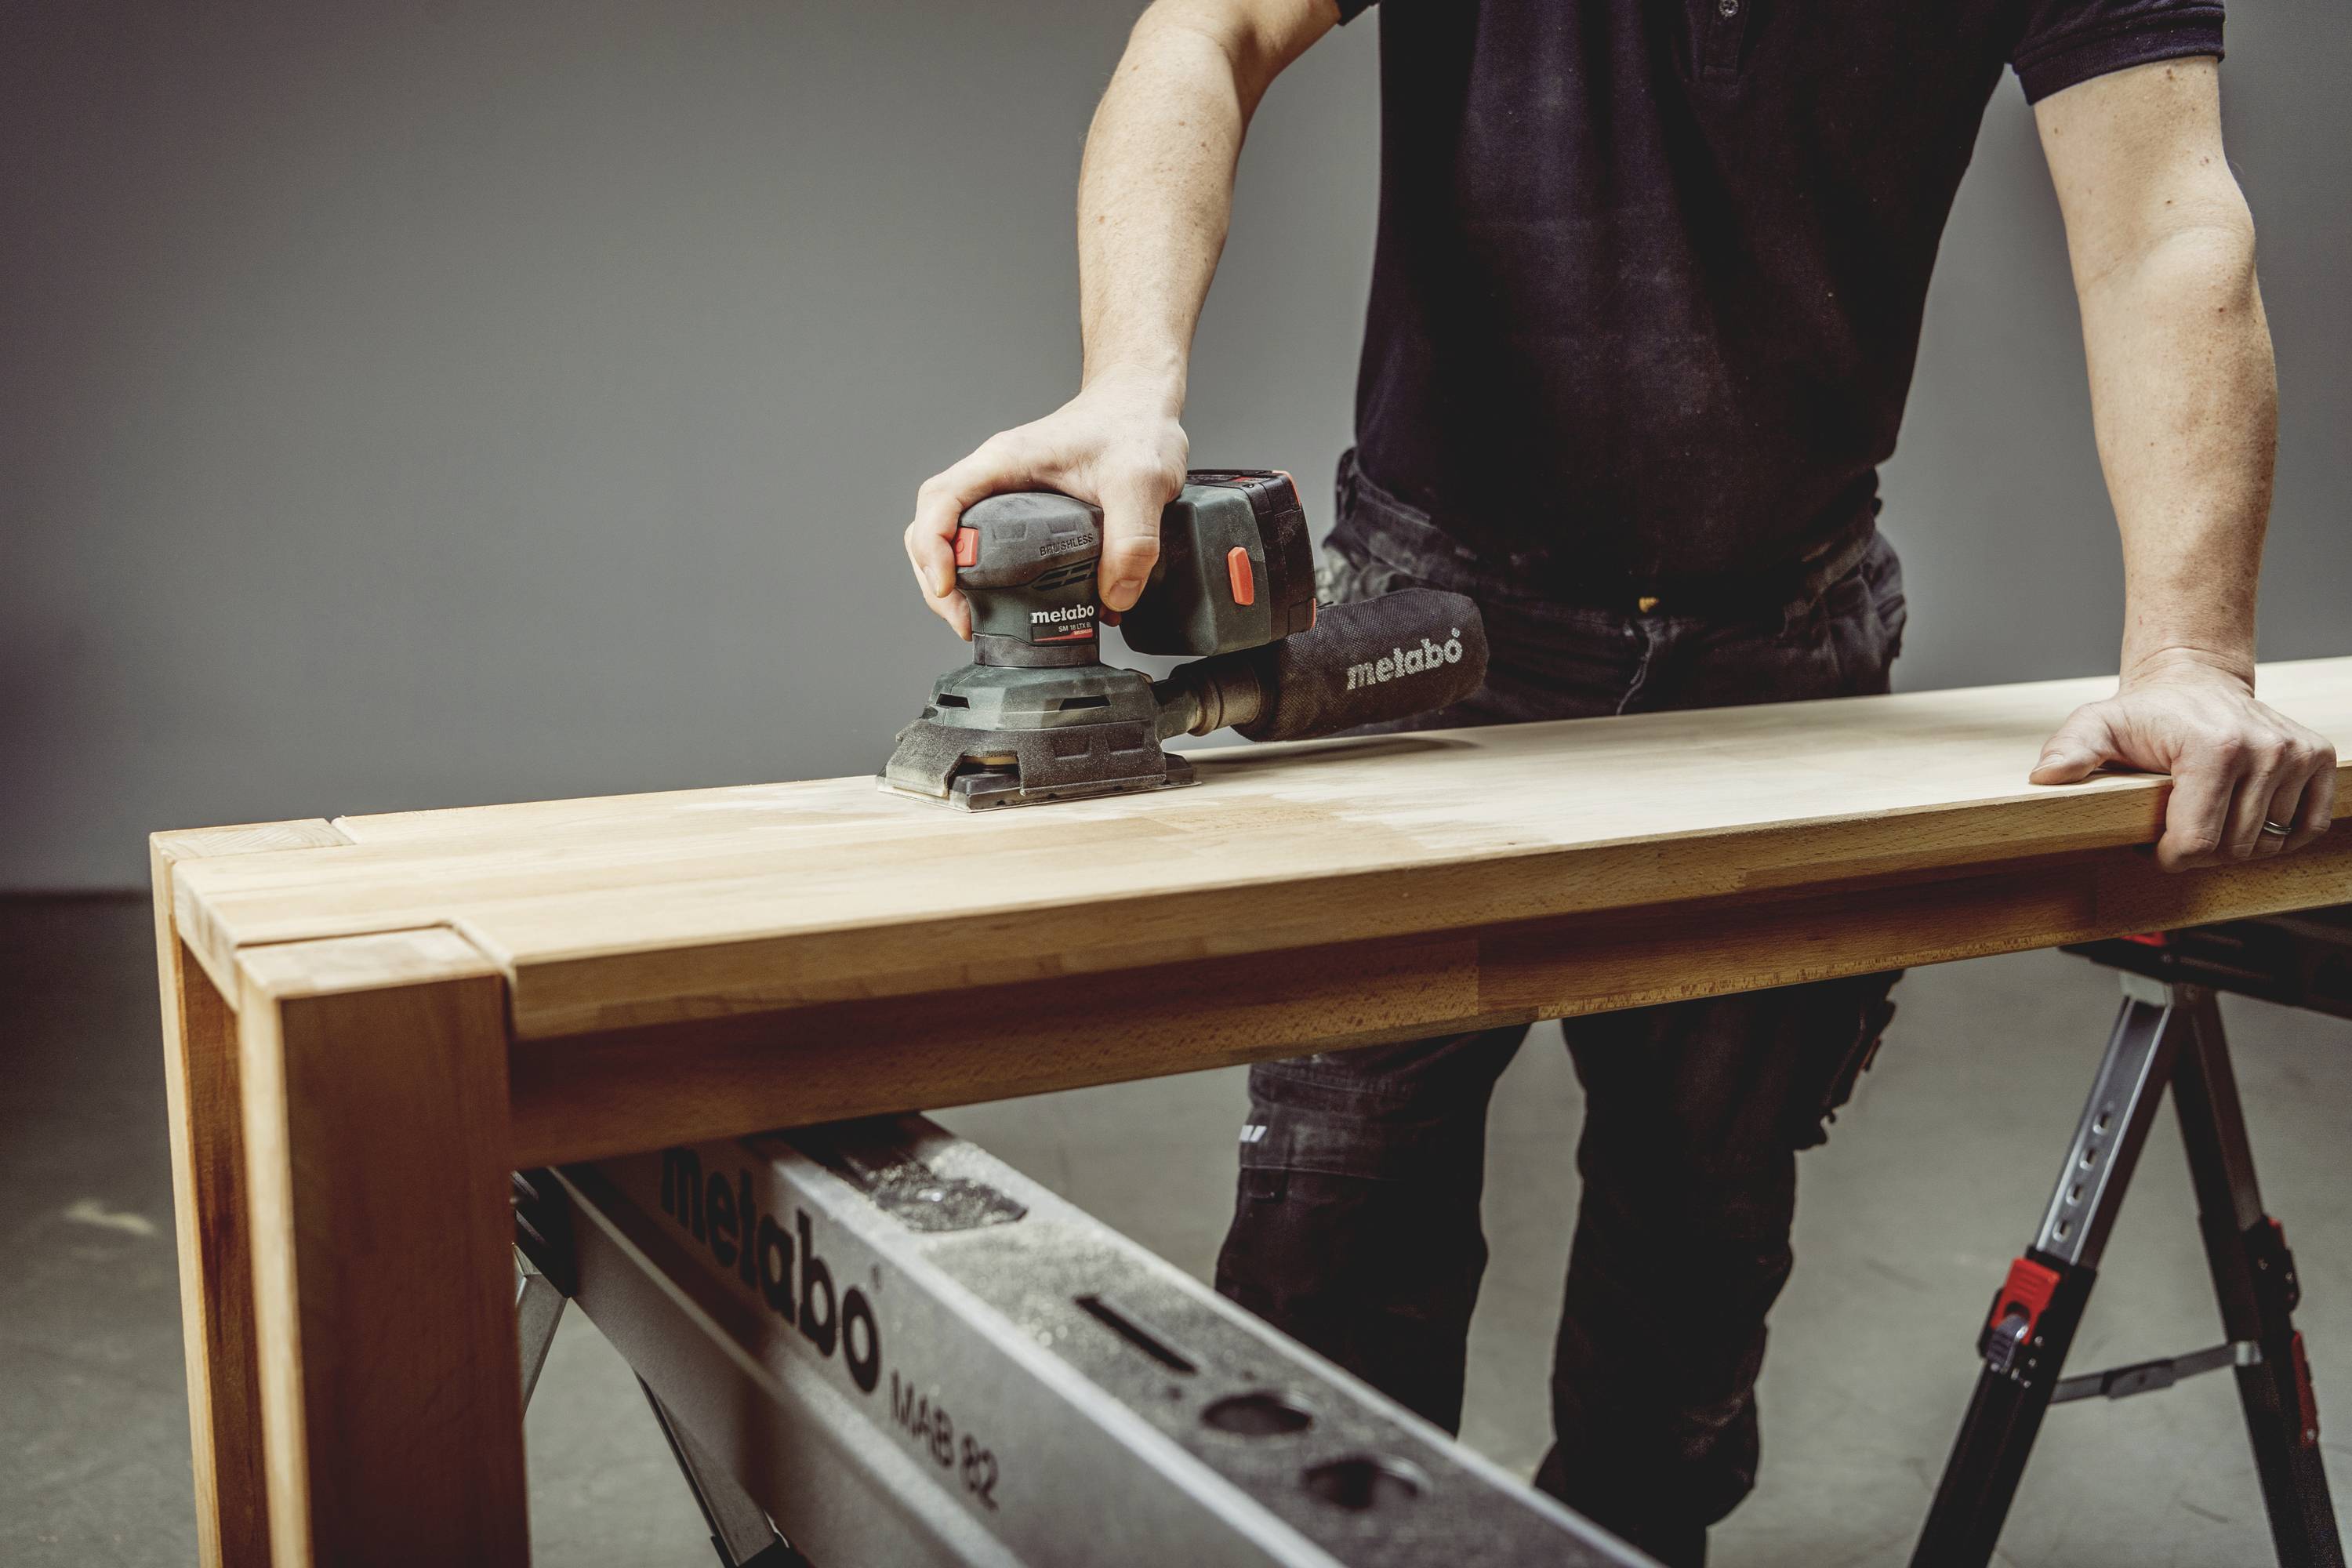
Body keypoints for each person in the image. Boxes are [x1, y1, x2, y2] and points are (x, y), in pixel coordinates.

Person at [902, 2, 2336, 1560]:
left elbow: (2164, 224)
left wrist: (2192, 653)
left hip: (1781, 642)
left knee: (1691, 1285)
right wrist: (1128, 385)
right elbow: (1213, 27)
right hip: (1443, 617)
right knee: (1329, 1264)